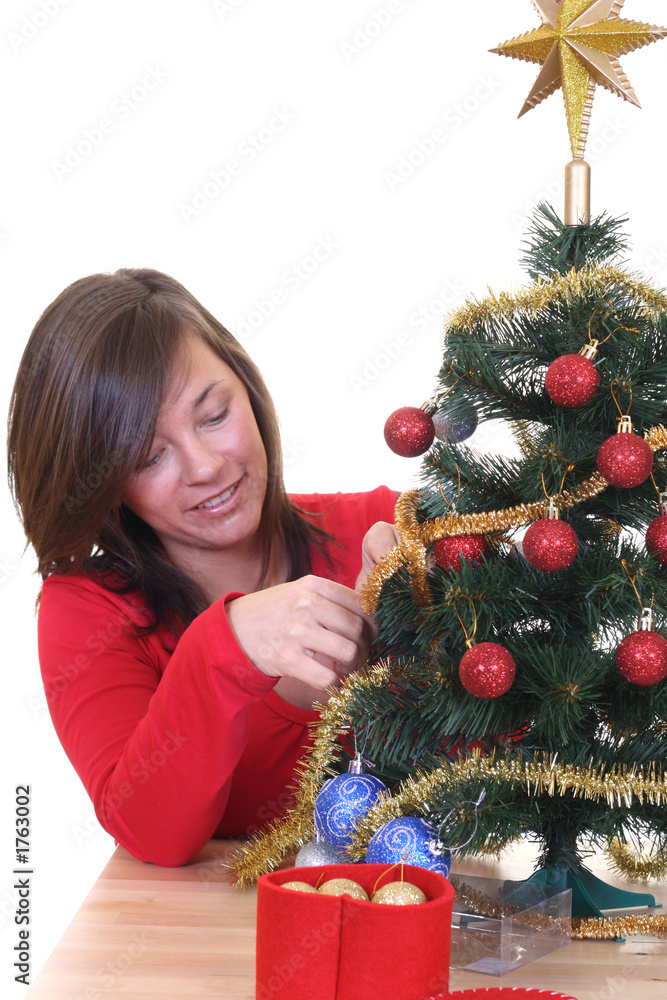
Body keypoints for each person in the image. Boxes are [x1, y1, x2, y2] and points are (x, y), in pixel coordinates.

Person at [7, 268, 399, 867]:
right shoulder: (87, 609)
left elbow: (532, 753)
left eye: (214, 415)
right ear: (104, 485)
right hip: (199, 954)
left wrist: (430, 624)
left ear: (246, 386)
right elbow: (152, 835)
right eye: (148, 456)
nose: (205, 466)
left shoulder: (382, 532)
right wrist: (227, 647)